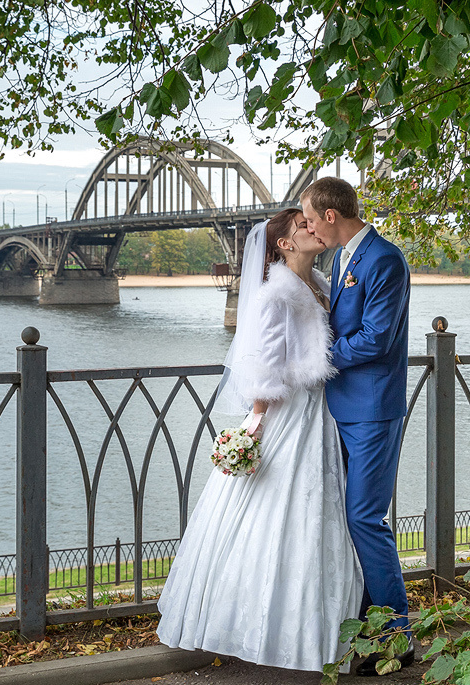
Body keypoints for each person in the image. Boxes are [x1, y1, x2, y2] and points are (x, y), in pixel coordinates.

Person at [157, 209, 364, 672]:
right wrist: (255, 422)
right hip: (291, 413)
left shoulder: (322, 285)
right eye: (303, 226)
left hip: (319, 411)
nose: (313, 227)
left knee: (318, 513)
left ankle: (317, 633)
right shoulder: (275, 296)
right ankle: (259, 627)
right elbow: (263, 364)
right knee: (277, 510)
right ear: (284, 245)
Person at [301, 177, 414, 676]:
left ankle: (397, 636)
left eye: (311, 218)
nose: (309, 228)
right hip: (343, 406)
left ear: (331, 215)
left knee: (365, 518)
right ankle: (366, 628)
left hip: (372, 407)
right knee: (346, 517)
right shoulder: (342, 258)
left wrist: (316, 357)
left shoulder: (385, 259)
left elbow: (375, 339)